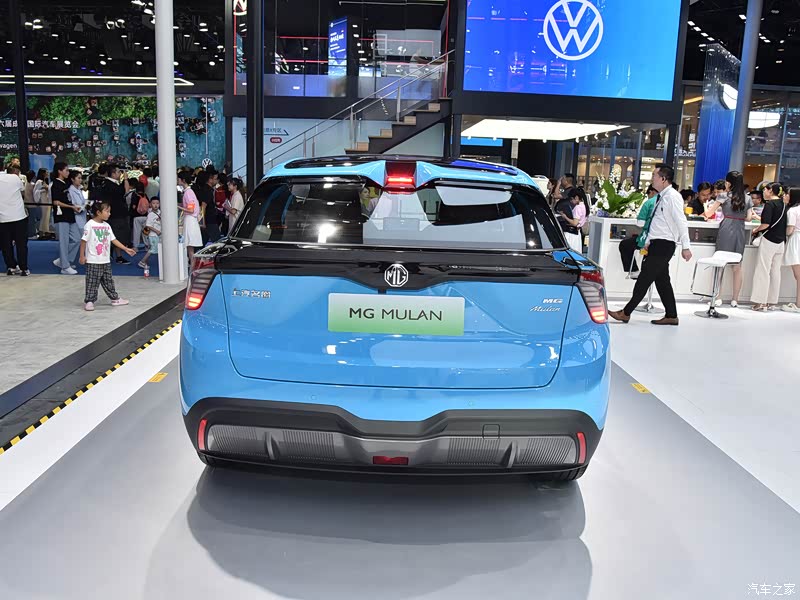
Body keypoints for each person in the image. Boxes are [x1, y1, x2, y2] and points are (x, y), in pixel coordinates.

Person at [609, 164, 692, 326]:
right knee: (662, 281)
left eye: (654, 175)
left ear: (663, 179)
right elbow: (657, 223)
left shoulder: (673, 197)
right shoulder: (661, 197)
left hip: (664, 244)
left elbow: (681, 221)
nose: (652, 178)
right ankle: (671, 315)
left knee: (644, 278)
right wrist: (648, 242)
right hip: (656, 243)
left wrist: (686, 246)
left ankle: (626, 313)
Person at [702, 171, 753, 307]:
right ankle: (735, 299)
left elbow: (709, 214)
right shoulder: (748, 198)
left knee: (720, 263)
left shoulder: (723, 196)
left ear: (728, 183)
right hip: (740, 230)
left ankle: (718, 297)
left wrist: (706, 207)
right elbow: (749, 218)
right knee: (737, 266)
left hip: (726, 229)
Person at [79, 200, 136, 311]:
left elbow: (113, 240)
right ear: (98, 212)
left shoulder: (107, 226)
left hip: (105, 260)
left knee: (108, 280)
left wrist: (125, 249)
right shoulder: (89, 225)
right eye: (107, 211)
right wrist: (82, 256)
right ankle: (89, 301)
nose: (109, 214)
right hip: (93, 260)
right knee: (92, 281)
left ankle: (115, 298)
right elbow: (83, 241)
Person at [750, 182, 789, 312]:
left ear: (770, 190)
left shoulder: (770, 205)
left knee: (763, 270)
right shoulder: (783, 204)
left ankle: (760, 302)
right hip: (781, 242)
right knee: (775, 271)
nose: (763, 193)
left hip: (769, 240)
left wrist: (756, 229)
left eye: (765, 190)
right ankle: (771, 302)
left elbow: (766, 224)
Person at [619, 185, 658, 276]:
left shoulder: (649, 203)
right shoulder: (666, 201)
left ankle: (634, 270)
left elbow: (640, 223)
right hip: (663, 240)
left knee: (625, 245)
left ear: (651, 192)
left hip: (647, 238)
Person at [51, 162, 82, 275]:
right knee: (64, 242)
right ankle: (65, 266)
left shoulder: (66, 183)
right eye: (66, 170)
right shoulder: (55, 184)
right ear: (59, 171)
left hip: (70, 215)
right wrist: (71, 207)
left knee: (77, 239)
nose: (68, 172)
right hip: (61, 216)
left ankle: (64, 260)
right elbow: (56, 202)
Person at [98, 165, 133, 264]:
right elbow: (126, 190)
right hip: (116, 214)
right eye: (118, 172)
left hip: (114, 213)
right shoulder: (110, 185)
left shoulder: (108, 183)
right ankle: (119, 256)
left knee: (114, 234)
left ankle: (111, 253)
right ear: (113, 174)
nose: (120, 174)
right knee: (118, 234)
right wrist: (125, 179)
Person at [0, 165, 29, 276]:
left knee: (6, 245)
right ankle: (23, 268)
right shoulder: (15, 178)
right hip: (18, 216)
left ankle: (11, 267)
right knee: (21, 244)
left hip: (2, 218)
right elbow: (23, 191)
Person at [782, 188, 800, 313]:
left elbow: (790, 230)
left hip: (796, 240)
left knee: (798, 275)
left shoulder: (793, 211)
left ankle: (798, 304)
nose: (785, 196)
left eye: (788, 194)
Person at [178, 171, 203, 261]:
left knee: (190, 246)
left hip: (190, 220)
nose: (177, 180)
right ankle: (192, 265)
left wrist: (178, 207)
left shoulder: (188, 193)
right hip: (190, 220)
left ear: (183, 180)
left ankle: (192, 265)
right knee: (190, 247)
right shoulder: (188, 192)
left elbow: (190, 210)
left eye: (178, 179)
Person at [554, 188, 582, 253]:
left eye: (571, 199)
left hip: (570, 233)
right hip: (576, 233)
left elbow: (574, 223)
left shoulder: (577, 207)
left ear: (576, 198)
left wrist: (565, 217)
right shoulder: (582, 206)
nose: (571, 201)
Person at [138, 198, 161, 271]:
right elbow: (148, 225)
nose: (155, 205)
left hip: (157, 235)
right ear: (150, 204)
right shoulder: (150, 214)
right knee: (153, 249)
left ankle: (145, 262)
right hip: (153, 235)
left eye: (157, 203)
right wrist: (156, 231)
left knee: (153, 249)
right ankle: (142, 261)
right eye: (153, 203)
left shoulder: (159, 212)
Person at [33, 168, 52, 238]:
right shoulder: (39, 182)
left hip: (47, 199)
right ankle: (42, 231)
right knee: (44, 216)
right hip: (43, 200)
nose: (48, 174)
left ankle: (45, 230)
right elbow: (36, 191)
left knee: (47, 216)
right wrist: (43, 190)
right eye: (46, 172)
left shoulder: (45, 181)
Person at [24, 171, 39, 240]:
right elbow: (35, 195)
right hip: (32, 204)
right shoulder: (33, 185)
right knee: (32, 220)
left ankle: (28, 233)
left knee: (28, 220)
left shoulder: (25, 184)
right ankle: (32, 234)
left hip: (26, 204)